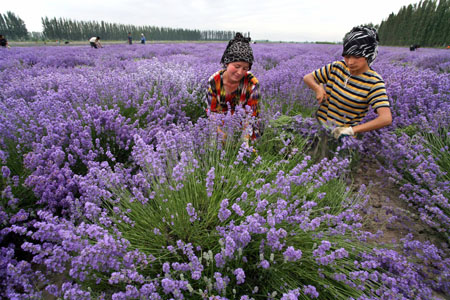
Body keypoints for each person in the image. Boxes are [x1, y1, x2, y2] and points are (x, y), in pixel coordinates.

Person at [303, 26, 392, 141]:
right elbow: (308, 78)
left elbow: (386, 118)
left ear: (369, 55)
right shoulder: (337, 67)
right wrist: (318, 88)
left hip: (342, 137)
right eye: (347, 56)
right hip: (318, 126)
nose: (350, 62)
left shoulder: (374, 82)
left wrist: (351, 130)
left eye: (357, 57)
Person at [205, 32, 260, 144]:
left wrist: (243, 141)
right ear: (227, 63)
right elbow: (212, 113)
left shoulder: (252, 83)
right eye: (237, 66)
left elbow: (252, 116)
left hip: (244, 125)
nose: (240, 72)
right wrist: (221, 134)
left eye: (245, 68)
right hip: (221, 125)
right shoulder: (214, 82)